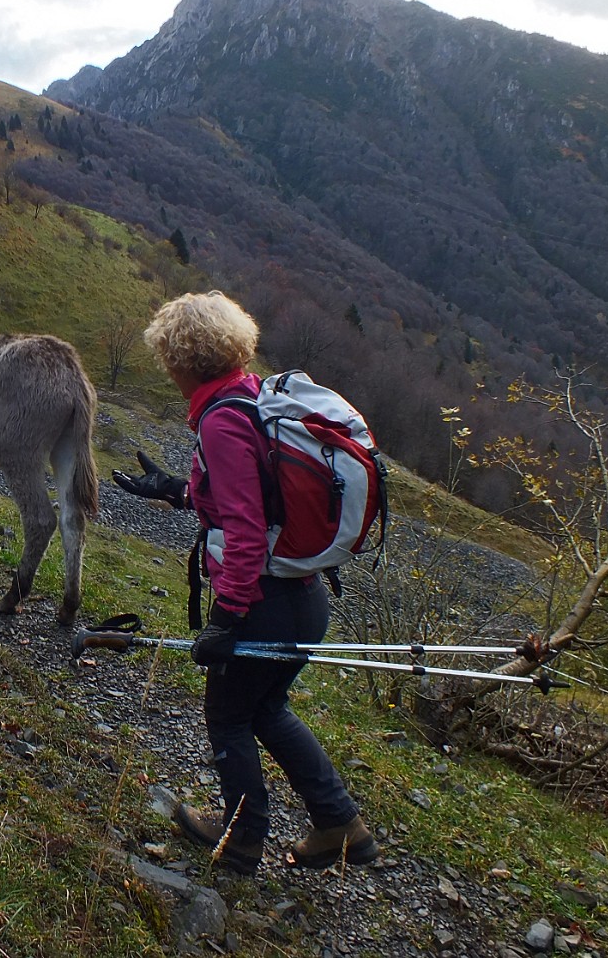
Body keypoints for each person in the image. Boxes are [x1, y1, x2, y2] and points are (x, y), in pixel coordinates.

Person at [113, 290, 377, 876]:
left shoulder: (221, 421)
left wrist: (226, 618)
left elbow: (248, 531)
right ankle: (340, 824)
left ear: (181, 359)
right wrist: (175, 490)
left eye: (167, 358)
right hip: (301, 598)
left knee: (229, 715)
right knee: (267, 708)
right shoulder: (251, 398)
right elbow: (256, 500)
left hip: (264, 603)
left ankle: (240, 839)